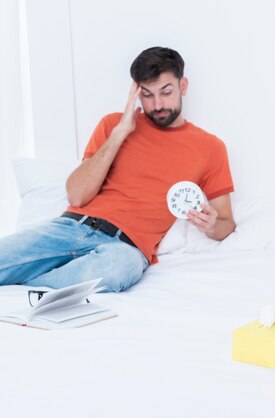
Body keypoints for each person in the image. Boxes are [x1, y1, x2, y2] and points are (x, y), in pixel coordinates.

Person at [0, 46, 236, 292]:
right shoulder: (113, 125)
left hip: (125, 249)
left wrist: (210, 225)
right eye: (147, 94)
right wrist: (121, 132)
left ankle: (22, 292)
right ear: (135, 93)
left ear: (183, 86)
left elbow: (226, 224)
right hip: (70, 228)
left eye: (166, 92)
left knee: (116, 269)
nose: (157, 104)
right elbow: (77, 195)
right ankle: (36, 291)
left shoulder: (210, 148)